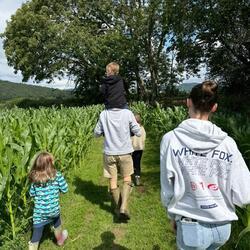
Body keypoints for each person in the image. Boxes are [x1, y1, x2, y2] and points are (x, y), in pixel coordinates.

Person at [160, 80, 250, 250]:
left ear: (188, 102)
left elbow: (167, 189)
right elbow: (244, 195)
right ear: (214, 107)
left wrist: (172, 215)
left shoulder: (170, 140)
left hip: (190, 226)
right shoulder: (228, 143)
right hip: (223, 228)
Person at [94, 108, 141, 221]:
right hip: (125, 152)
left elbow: (96, 133)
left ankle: (118, 208)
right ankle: (124, 206)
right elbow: (138, 132)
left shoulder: (103, 114)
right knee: (126, 178)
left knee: (113, 179)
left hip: (109, 153)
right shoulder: (127, 113)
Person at [28, 152, 68, 250]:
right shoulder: (57, 175)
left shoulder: (35, 179)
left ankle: (33, 247)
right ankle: (60, 240)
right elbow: (65, 189)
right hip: (54, 210)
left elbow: (31, 194)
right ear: (51, 164)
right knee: (57, 222)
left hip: (40, 213)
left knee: (36, 234)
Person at [131, 113, 146, 186]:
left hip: (133, 148)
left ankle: (134, 176)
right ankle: (137, 176)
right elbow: (144, 138)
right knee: (138, 162)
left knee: (132, 162)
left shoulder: (132, 129)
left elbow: (130, 138)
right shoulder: (142, 128)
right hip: (140, 148)